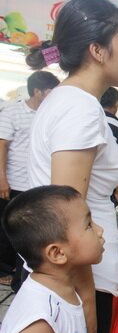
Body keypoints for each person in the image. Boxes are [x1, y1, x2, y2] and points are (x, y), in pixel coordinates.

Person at [25, 0, 118, 333]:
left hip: (74, 278)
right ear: (98, 51)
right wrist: (87, 302)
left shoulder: (67, 100)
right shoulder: (80, 108)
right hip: (79, 282)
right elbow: (67, 216)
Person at [0, 185, 104, 333]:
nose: (100, 230)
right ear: (57, 253)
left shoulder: (63, 290)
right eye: (89, 225)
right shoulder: (40, 322)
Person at [0, 71, 58, 291]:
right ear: (38, 91)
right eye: (51, 91)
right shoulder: (12, 111)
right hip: (12, 182)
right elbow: (2, 146)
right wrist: (2, 179)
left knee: (27, 232)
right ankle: (3, 270)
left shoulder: (48, 114)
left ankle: (17, 274)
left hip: (35, 185)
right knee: (6, 229)